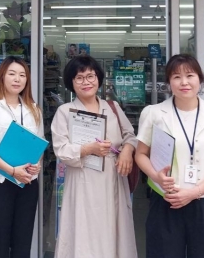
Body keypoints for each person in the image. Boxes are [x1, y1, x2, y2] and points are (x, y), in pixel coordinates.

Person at [135, 54, 204, 258]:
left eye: (190, 75)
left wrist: (193, 193)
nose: (184, 82)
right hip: (167, 201)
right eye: (176, 77)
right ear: (168, 83)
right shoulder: (154, 113)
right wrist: (156, 177)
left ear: (200, 79)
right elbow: (140, 154)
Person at [51, 55, 137, 258]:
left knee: (112, 229)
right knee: (84, 230)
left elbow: (130, 135)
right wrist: (88, 149)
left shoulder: (112, 107)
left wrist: (127, 150)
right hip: (82, 181)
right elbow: (61, 149)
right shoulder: (65, 111)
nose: (86, 82)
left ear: (98, 78)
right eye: (79, 78)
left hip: (112, 179)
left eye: (90, 76)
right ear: (71, 82)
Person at [0, 56, 44, 258]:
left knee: (23, 241)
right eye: (12, 74)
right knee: (0, 241)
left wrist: (37, 165)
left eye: (22, 75)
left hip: (27, 183)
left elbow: (39, 143)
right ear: (2, 76)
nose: (17, 79)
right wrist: (12, 171)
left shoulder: (33, 108)